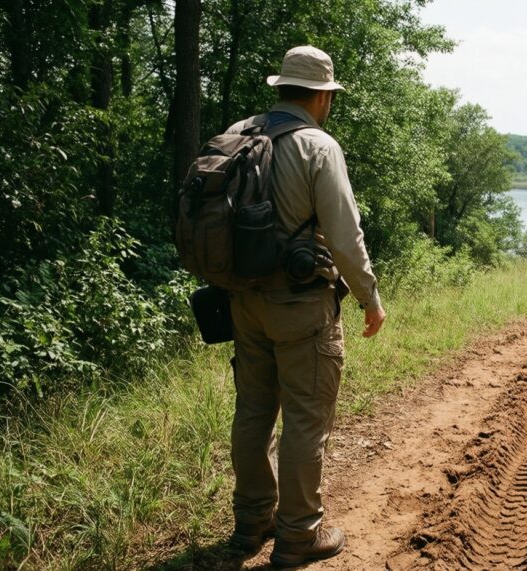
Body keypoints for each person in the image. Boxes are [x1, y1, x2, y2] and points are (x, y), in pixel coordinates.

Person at [224, 45, 386, 567]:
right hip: (300, 305)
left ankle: (251, 522)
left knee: (252, 411)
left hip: (242, 300)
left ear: (282, 88)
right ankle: (297, 535)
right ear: (321, 96)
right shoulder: (317, 146)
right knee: (305, 420)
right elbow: (345, 235)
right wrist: (370, 298)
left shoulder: (240, 133)